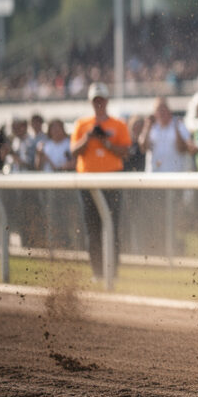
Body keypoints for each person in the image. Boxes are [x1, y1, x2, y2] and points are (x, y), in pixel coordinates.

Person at [70, 83, 132, 280]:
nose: (99, 103)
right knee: (93, 229)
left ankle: (112, 272)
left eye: (101, 100)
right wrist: (88, 138)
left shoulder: (119, 124)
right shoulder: (81, 124)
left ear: (106, 101)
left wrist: (105, 142)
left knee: (112, 227)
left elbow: (125, 151)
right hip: (87, 182)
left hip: (112, 180)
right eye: (95, 100)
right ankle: (97, 272)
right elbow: (74, 151)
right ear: (91, 102)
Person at [141, 96, 191, 173]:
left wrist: (176, 129)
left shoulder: (179, 125)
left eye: (163, 109)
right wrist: (147, 127)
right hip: (154, 174)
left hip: (175, 173)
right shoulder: (151, 127)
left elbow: (183, 148)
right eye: (158, 109)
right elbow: (143, 148)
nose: (161, 112)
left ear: (169, 110)